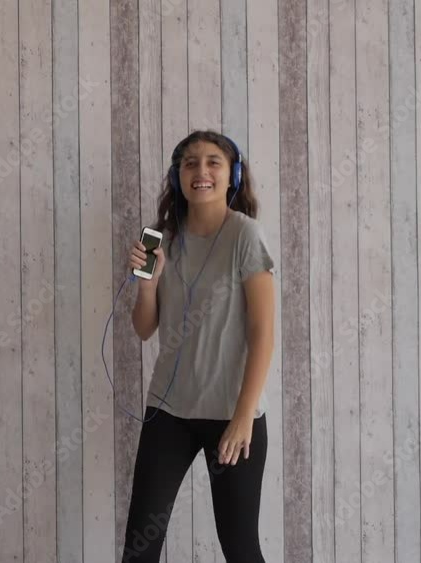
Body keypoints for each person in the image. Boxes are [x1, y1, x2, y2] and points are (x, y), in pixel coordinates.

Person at [121, 130, 277, 563]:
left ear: (233, 175)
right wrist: (148, 287)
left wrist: (244, 417)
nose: (201, 171)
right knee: (139, 548)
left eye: (213, 162)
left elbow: (263, 331)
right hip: (168, 412)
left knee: (240, 547)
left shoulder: (246, 236)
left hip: (232, 412)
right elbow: (144, 328)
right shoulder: (160, 239)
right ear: (177, 176)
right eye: (190, 163)